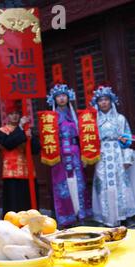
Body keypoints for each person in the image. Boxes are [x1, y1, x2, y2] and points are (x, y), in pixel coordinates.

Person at [45, 83, 92, 228]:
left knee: (78, 183)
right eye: (58, 96)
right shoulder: (50, 118)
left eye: (63, 95)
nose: (61, 98)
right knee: (62, 185)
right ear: (54, 99)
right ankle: (66, 217)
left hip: (75, 152)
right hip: (59, 155)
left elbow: (83, 136)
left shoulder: (76, 116)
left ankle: (81, 214)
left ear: (68, 97)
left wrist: (85, 155)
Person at [90, 84, 135, 226]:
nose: (103, 102)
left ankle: (125, 215)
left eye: (106, 99)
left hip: (117, 152)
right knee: (102, 183)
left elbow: (127, 139)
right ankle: (105, 217)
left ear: (111, 101)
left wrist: (127, 158)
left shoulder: (120, 119)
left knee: (121, 183)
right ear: (97, 103)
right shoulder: (93, 120)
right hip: (101, 153)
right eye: (100, 100)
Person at [0, 100, 40, 215]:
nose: (14, 116)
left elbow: (36, 149)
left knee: (29, 203)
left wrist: (30, 138)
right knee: (13, 205)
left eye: (16, 113)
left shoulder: (27, 129)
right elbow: (9, 144)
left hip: (28, 171)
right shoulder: (2, 131)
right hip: (11, 173)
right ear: (7, 116)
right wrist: (20, 128)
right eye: (11, 114)